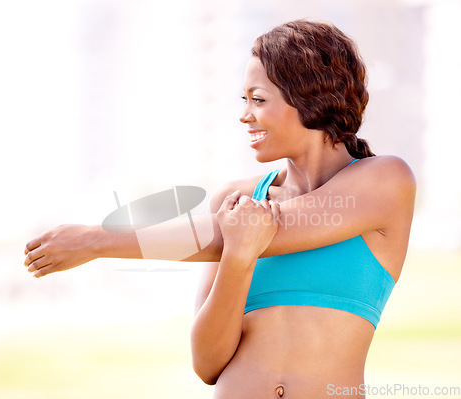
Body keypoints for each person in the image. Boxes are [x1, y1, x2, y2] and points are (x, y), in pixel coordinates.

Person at [24, 20, 416, 398]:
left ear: (310, 96)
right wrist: (238, 260)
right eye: (244, 100)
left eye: (258, 100)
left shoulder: (385, 181)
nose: (245, 115)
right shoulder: (233, 200)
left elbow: (275, 228)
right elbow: (207, 364)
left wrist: (95, 240)